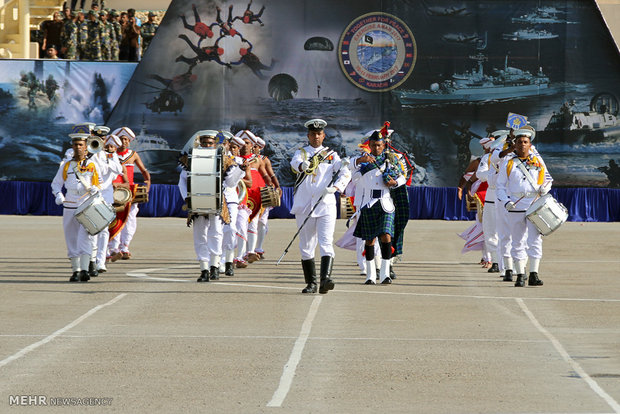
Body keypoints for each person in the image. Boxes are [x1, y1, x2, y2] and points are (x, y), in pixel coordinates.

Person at [290, 119, 351, 294]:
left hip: (325, 205)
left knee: (326, 242)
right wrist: (303, 165)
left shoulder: (331, 155)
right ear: (308, 136)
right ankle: (311, 283)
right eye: (313, 134)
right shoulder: (301, 153)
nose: (316, 137)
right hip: (305, 206)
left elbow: (345, 171)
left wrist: (337, 187)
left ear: (323, 135)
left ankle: (326, 279)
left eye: (319, 134)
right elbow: (295, 165)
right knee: (307, 245)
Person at [496, 128, 553, 287]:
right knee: (517, 240)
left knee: (535, 240)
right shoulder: (508, 163)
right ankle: (520, 274)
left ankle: (534, 273)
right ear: (515, 144)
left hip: (534, 205)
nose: (522, 145)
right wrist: (505, 201)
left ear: (530, 145)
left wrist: (545, 188)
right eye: (519, 142)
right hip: (515, 205)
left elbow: (548, 180)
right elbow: (500, 186)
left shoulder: (538, 161)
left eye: (525, 142)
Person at [352, 129, 407, 285]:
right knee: (369, 240)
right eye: (374, 145)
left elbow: (402, 176)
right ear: (369, 145)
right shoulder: (362, 160)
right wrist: (362, 165)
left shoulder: (392, 160)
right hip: (368, 203)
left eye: (379, 145)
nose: (377, 148)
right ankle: (370, 275)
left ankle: (385, 273)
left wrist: (394, 183)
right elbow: (353, 176)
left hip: (385, 203)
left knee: (386, 236)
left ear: (384, 145)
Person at [51, 133, 101, 282]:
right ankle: (76, 270)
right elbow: (56, 183)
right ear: (72, 147)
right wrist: (59, 195)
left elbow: (99, 183)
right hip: (70, 204)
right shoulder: (66, 165)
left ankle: (85, 270)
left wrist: (95, 189)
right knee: (71, 236)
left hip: (86, 204)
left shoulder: (92, 165)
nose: (78, 148)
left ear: (86, 147)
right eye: (75, 145)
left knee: (86, 236)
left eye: (81, 145)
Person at [108, 127, 150, 260]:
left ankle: (124, 246)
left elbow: (144, 171)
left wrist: (147, 184)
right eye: (121, 139)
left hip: (129, 191)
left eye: (126, 139)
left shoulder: (133, 154)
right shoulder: (109, 155)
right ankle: (113, 248)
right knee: (114, 218)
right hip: (113, 191)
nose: (124, 142)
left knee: (130, 219)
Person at [94, 134, 126, 273]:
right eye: (98, 138)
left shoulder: (111, 157)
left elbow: (119, 170)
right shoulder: (90, 154)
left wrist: (108, 157)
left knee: (103, 231)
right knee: (88, 231)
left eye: (103, 139)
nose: (102, 142)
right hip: (89, 196)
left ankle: (100, 261)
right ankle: (87, 260)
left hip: (105, 198)